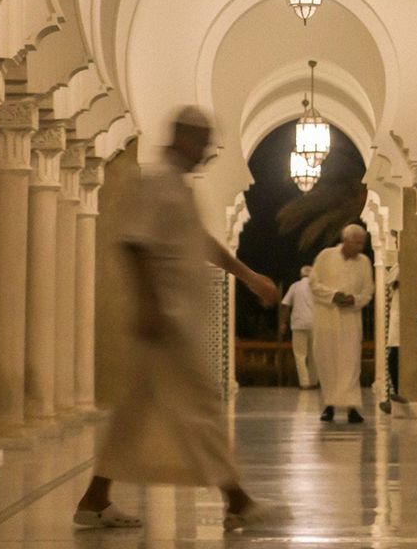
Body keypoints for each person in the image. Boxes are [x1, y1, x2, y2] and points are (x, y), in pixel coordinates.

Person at [74, 106, 280, 531]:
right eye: (202, 142)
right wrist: (150, 306)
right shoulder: (155, 185)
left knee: (133, 412)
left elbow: (200, 243)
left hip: (173, 320)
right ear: (184, 139)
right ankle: (237, 500)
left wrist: (249, 276)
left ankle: (94, 500)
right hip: (167, 321)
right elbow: (134, 244)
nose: (206, 152)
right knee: (202, 406)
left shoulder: (176, 188)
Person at [309, 224, 374, 424]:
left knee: (351, 362)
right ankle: (329, 405)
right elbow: (314, 284)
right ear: (345, 241)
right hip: (326, 319)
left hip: (350, 321)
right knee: (327, 360)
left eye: (362, 243)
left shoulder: (364, 262)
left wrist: (354, 300)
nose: (361, 247)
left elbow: (368, 291)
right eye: (357, 242)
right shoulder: (325, 256)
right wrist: (333, 296)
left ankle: (352, 408)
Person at [280, 265, 317, 388]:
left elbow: (285, 305)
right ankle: (313, 381)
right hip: (314, 324)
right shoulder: (316, 286)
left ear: (301, 275)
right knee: (314, 355)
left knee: (300, 355)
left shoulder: (295, 286)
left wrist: (283, 323)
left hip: (298, 324)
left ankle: (304, 383)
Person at [378, 261, 403, 413]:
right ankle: (396, 394)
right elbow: (390, 279)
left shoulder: (402, 265)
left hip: (402, 322)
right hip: (397, 322)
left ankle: (399, 394)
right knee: (393, 358)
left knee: (395, 358)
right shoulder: (398, 266)